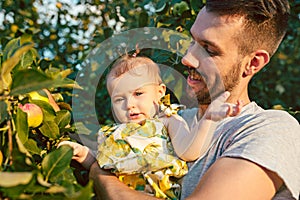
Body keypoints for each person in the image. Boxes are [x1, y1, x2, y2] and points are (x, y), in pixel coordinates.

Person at [87, 0, 300, 199]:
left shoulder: (270, 129)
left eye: (209, 50)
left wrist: (100, 175)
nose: (187, 58)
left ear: (253, 63)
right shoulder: (165, 119)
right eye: (192, 42)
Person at [60, 54, 241, 199]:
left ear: (160, 92)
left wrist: (208, 120)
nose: (129, 104)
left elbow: (189, 151)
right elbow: (100, 165)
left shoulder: (168, 121)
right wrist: (83, 154)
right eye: (119, 99)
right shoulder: (113, 134)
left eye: (138, 93)